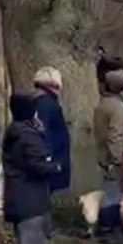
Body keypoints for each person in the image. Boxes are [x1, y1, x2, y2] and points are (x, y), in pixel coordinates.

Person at [1, 91, 62, 244]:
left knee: (26, 242)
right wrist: (55, 166)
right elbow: (39, 165)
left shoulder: (15, 132)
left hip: (17, 196)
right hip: (29, 198)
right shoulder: (29, 137)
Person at [92, 69, 123, 242]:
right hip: (112, 156)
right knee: (112, 192)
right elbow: (115, 135)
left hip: (102, 153)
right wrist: (117, 158)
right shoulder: (118, 109)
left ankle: (107, 226)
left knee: (109, 190)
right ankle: (108, 229)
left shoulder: (102, 104)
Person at [31, 67, 72, 203]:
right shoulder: (47, 104)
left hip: (46, 158)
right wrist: (49, 160)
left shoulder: (35, 100)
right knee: (42, 198)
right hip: (51, 158)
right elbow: (43, 131)